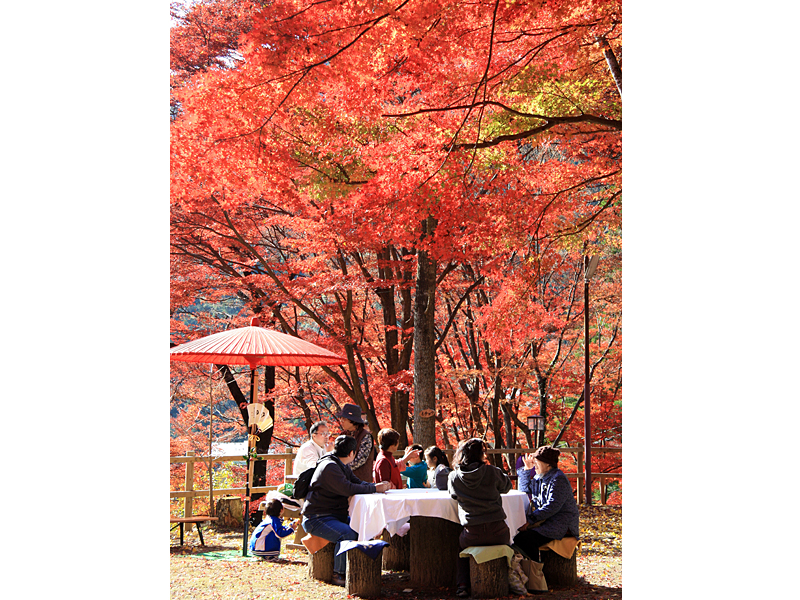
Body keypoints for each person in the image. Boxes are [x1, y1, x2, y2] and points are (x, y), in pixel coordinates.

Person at [301, 434, 391, 586]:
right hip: (316, 518)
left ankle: (362, 568)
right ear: (351, 453)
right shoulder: (330, 467)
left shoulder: (339, 464)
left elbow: (356, 482)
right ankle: (339, 573)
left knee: (363, 525)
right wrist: (375, 488)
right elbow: (348, 488)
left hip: (334, 515)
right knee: (347, 534)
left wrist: (376, 486)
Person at [447, 438, 513, 598]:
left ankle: (462, 585)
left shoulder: (454, 476)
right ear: (481, 454)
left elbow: (453, 495)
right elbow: (507, 487)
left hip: (472, 534)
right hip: (498, 531)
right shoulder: (492, 471)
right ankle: (511, 580)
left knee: (461, 549)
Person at [511, 445, 580, 563]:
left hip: (560, 524)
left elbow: (552, 506)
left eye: (537, 461)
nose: (534, 464)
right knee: (517, 536)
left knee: (525, 539)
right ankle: (531, 567)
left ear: (548, 464)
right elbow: (524, 490)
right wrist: (526, 471)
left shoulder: (558, 479)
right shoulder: (540, 477)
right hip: (545, 521)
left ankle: (535, 569)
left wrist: (530, 520)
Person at [338, 403, 375, 482]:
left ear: (353, 420)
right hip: (343, 481)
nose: (341, 421)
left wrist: (339, 467)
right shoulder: (343, 435)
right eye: (341, 418)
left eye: (344, 419)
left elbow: (360, 460)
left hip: (361, 482)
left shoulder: (365, 436)